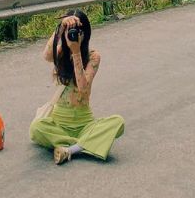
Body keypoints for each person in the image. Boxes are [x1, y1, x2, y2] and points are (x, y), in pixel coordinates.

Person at [29, 9, 125, 165]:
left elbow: (82, 88)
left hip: (84, 123)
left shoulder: (93, 56)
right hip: (59, 122)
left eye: (78, 30)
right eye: (70, 30)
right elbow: (46, 55)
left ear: (85, 33)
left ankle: (70, 149)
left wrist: (76, 52)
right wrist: (60, 28)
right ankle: (84, 144)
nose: (73, 33)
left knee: (118, 122)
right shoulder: (60, 52)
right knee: (36, 127)